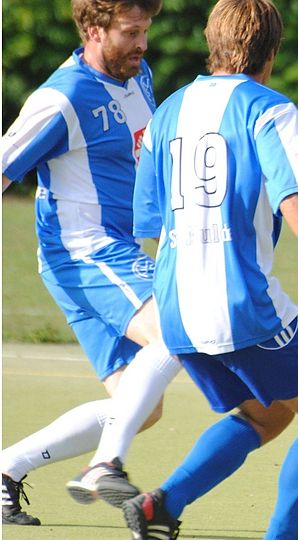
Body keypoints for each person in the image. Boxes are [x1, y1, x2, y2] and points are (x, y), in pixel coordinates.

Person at [119, 0, 298, 538]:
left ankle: (160, 506)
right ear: (271, 53)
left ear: (212, 43)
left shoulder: (168, 112)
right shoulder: (269, 109)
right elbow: (293, 193)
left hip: (176, 310)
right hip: (241, 307)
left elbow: (150, 223)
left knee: (269, 413)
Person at [0, 0, 186, 525]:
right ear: (93, 28)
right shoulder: (61, 99)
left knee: (142, 407)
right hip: (85, 254)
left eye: (146, 30)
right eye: (131, 32)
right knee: (178, 327)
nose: (143, 43)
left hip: (114, 254)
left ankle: (6, 469)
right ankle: (105, 464)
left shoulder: (138, 73)